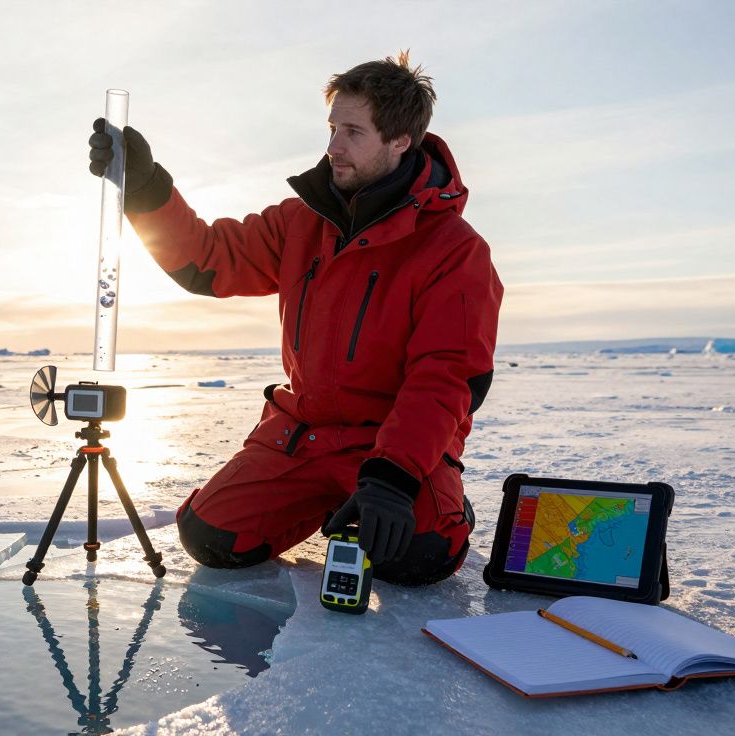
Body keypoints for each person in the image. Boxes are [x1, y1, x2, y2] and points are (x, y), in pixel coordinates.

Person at [88, 51, 503, 585]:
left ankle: (437, 504)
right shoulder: (301, 222)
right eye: (332, 128)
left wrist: (393, 476)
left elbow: (447, 374)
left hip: (388, 444)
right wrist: (145, 187)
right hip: (301, 436)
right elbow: (210, 260)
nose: (333, 146)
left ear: (401, 141)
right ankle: (324, 506)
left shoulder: (454, 250)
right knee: (209, 537)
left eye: (353, 132)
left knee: (420, 555)